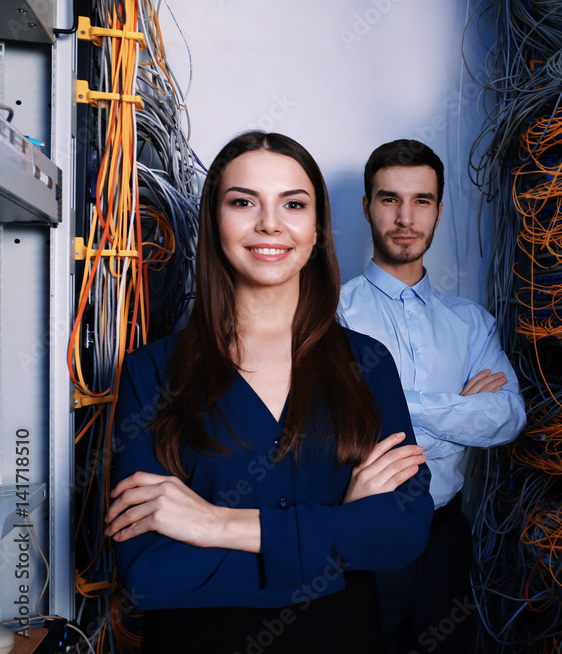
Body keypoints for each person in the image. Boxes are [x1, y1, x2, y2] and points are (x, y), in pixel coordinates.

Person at [106, 131, 434, 653]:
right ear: (215, 220)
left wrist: (215, 523)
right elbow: (149, 573)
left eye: (293, 204)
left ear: (317, 227)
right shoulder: (153, 371)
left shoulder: (367, 364)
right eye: (243, 202)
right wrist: (341, 530)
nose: (270, 224)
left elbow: (404, 531)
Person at [339, 139, 527, 653]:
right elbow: (337, 426)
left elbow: (508, 416)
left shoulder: (470, 322)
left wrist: (390, 403)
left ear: (439, 210)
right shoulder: (332, 315)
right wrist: (458, 406)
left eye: (421, 201)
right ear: (366, 206)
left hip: (445, 537)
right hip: (364, 533)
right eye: (389, 199)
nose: (405, 217)